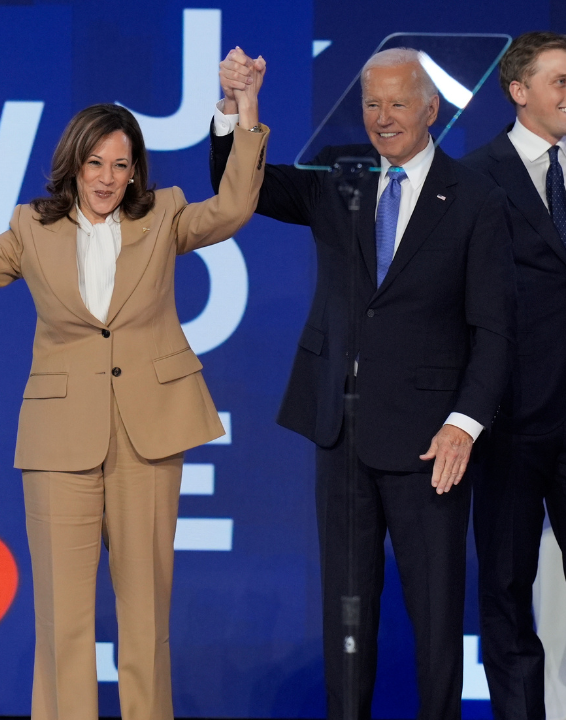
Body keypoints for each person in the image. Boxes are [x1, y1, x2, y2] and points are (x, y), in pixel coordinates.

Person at [0, 59, 267, 719]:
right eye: (95, 164)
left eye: (121, 166)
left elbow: (234, 207)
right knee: (63, 619)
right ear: (73, 165)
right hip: (61, 444)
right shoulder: (32, 228)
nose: (108, 179)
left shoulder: (165, 216)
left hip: (148, 435)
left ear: (136, 172)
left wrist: (243, 109)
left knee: (145, 616)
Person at [210, 47, 514, 720]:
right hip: (341, 428)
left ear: (430, 109)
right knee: (347, 617)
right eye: (372, 104)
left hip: (431, 441)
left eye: (398, 103)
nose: (383, 118)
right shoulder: (338, 177)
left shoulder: (475, 199)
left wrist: (465, 423)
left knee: (436, 617)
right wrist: (237, 109)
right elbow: (242, 188)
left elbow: (495, 329)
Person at [459, 32, 566, 720]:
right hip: (509, 416)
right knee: (505, 591)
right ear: (517, 90)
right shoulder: (473, 175)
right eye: (560, 81)